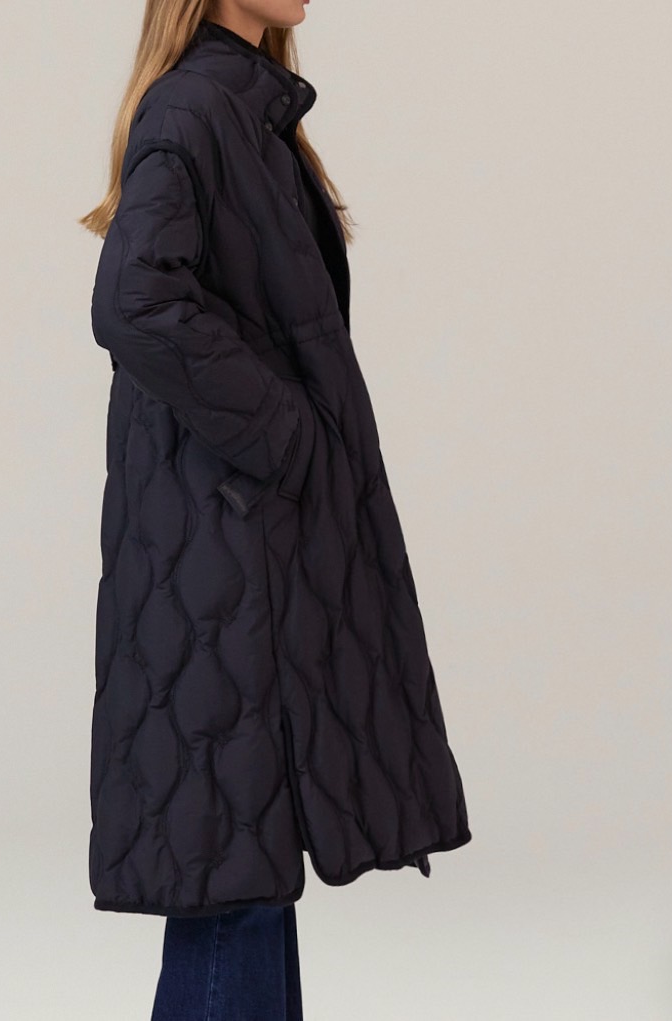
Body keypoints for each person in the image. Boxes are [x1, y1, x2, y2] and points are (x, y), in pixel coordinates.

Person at [81, 4, 472, 1018]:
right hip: (224, 555)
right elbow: (134, 301)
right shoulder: (197, 107)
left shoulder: (244, 109)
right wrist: (287, 436)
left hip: (238, 546)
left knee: (246, 866)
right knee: (233, 875)